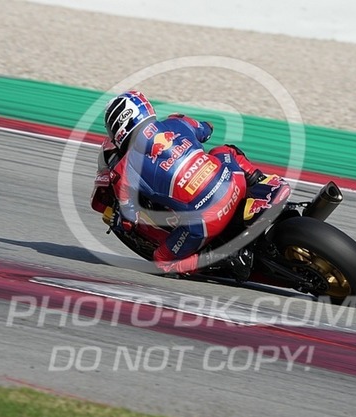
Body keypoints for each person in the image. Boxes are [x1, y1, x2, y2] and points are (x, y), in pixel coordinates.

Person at [100, 90, 266, 281]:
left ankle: (225, 258)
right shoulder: (177, 121)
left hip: (207, 220)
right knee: (224, 150)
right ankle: (260, 182)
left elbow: (130, 219)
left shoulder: (122, 171)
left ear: (117, 128)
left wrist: (120, 222)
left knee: (162, 261)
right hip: (235, 183)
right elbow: (207, 129)